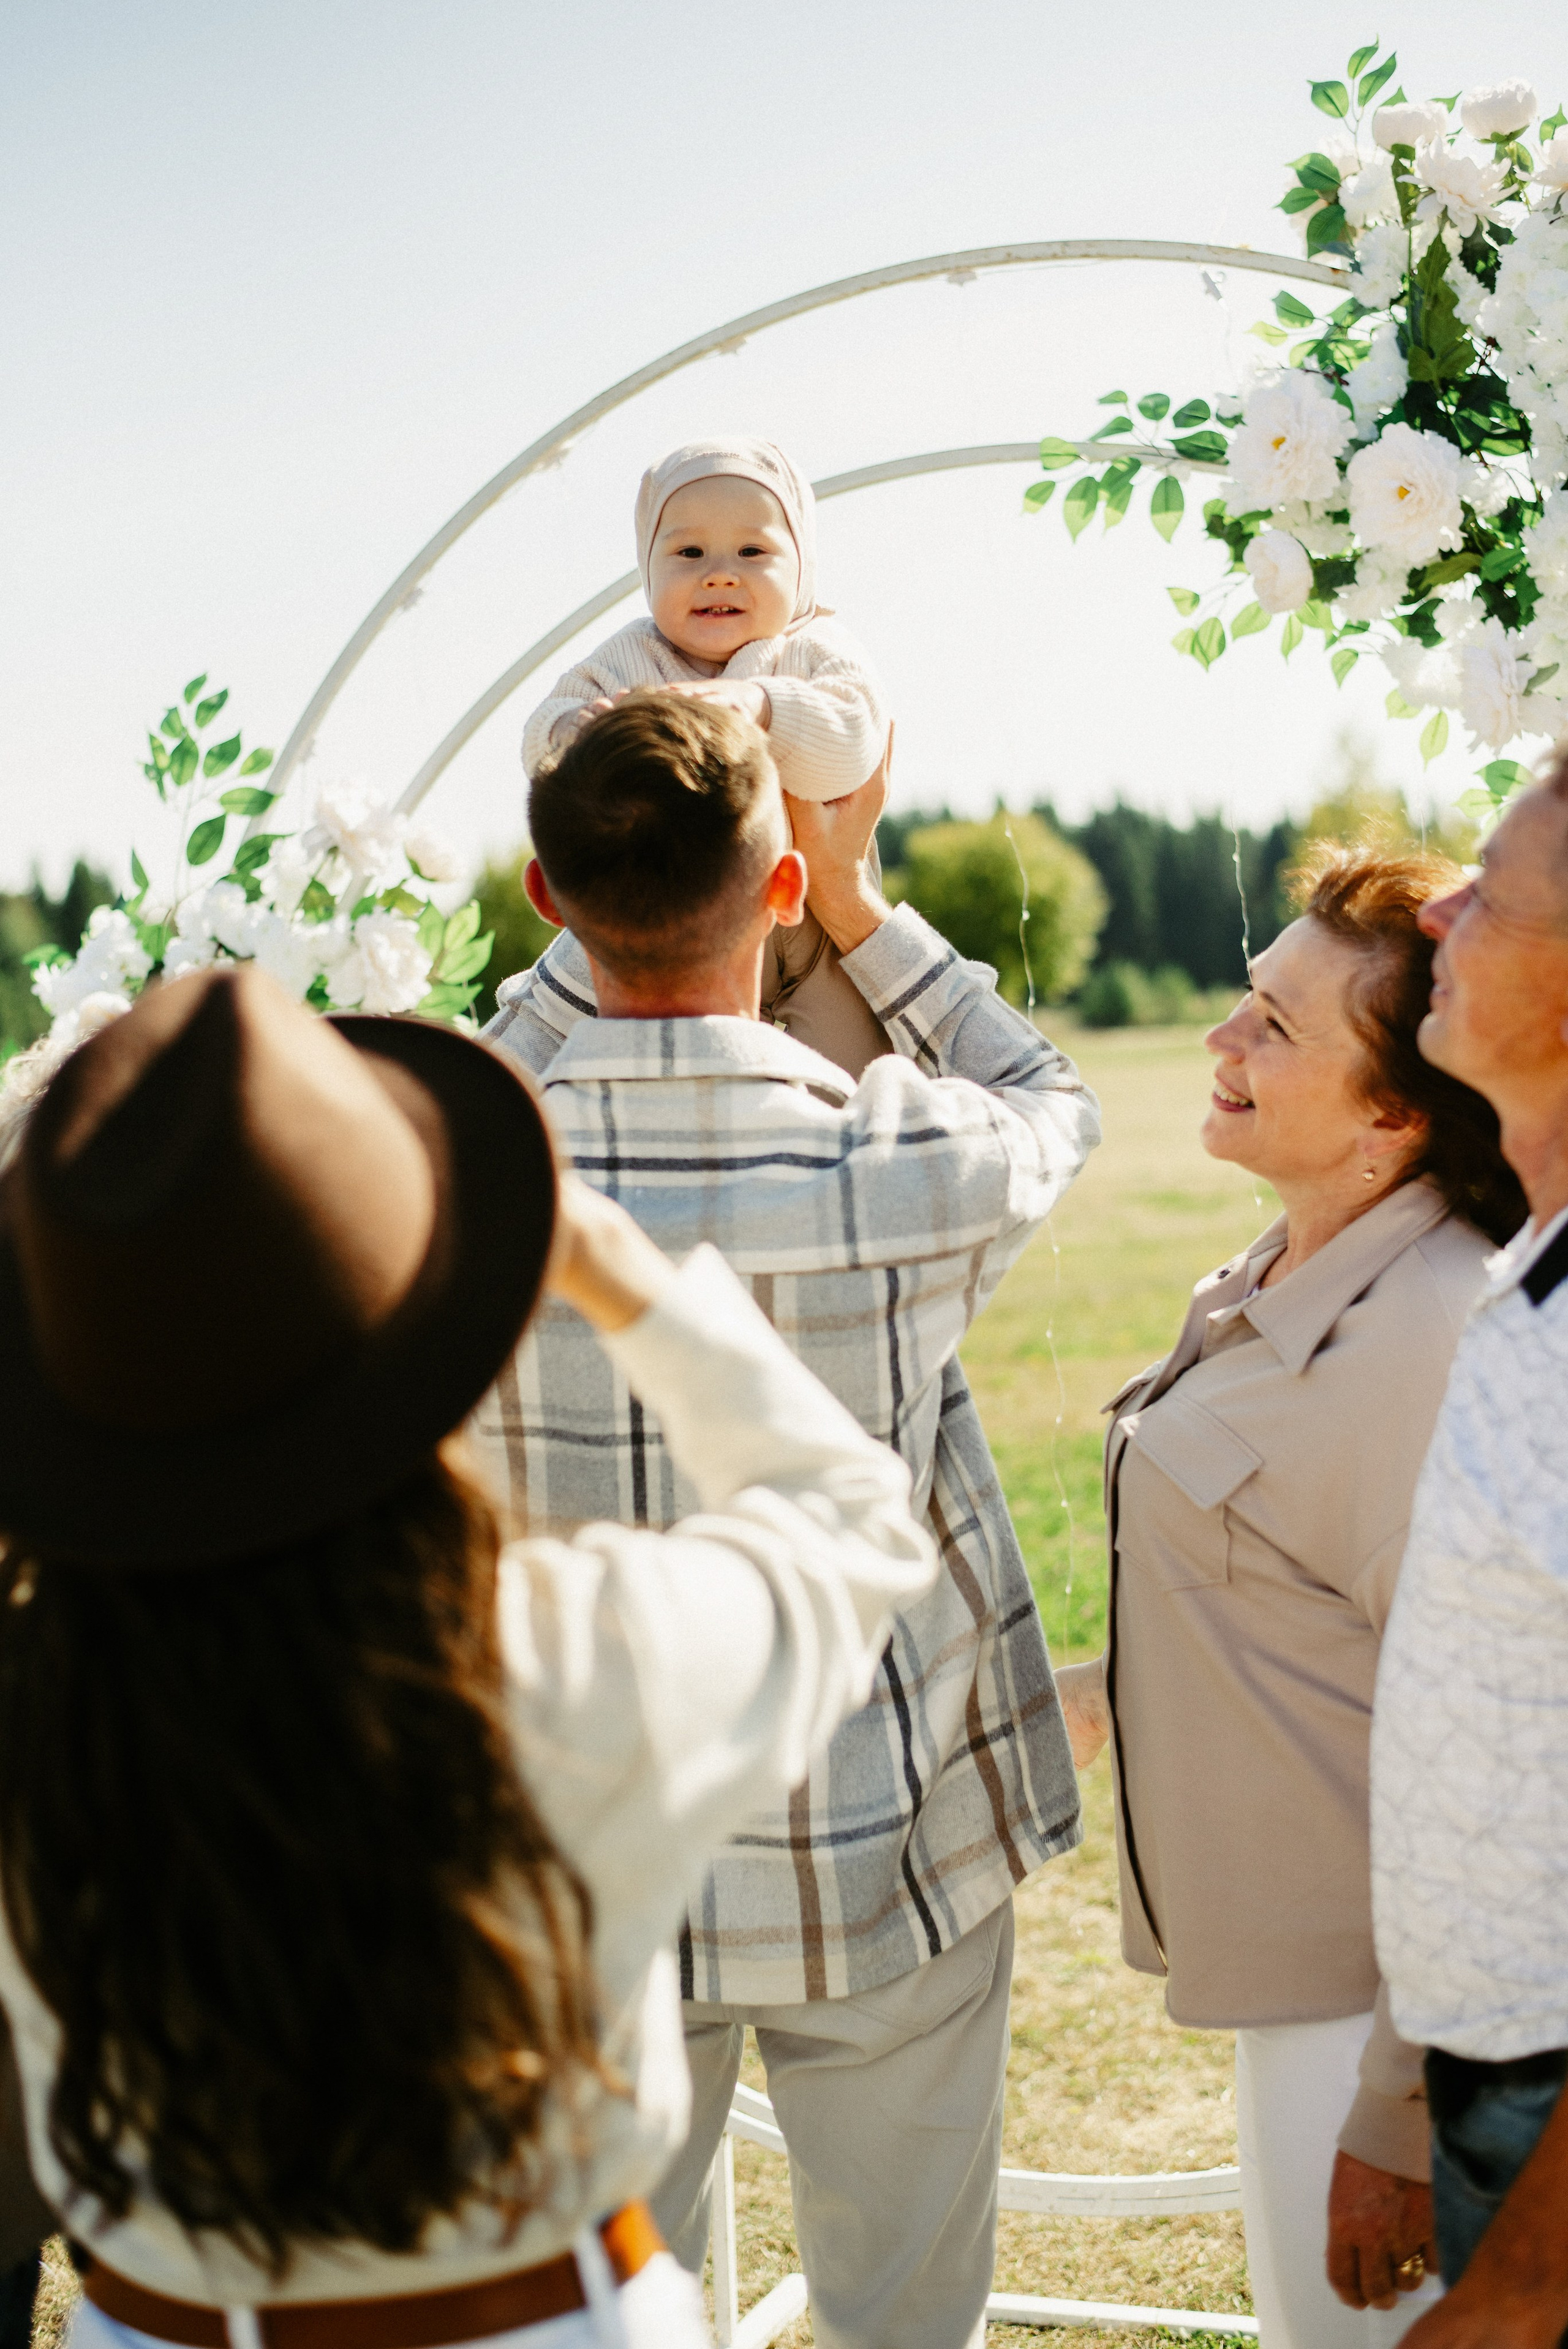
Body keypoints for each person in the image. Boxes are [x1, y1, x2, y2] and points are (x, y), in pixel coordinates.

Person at [0, 961, 938, 2349]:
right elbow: (851, 1524)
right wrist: (619, 1273)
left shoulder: (38, 1714)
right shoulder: (571, 1657)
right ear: (427, 1341)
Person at [481, 690, 1099, 2349]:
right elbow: (1049, 1088)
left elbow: (494, 1067)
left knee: (605, 2317)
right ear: (773, 891)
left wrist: (590, 928)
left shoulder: (453, 1189)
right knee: (906, 2317)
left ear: (547, 900)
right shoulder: (898, 1158)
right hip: (880, 1841)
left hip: (591, 1864)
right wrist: (861, 901)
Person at [1055, 847, 1525, 2349]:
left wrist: (1395, 2110)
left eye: (1272, 1025)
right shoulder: (1275, 1273)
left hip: (1380, 2026)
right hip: (1292, 2002)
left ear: (1391, 1112)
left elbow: (1510, 1762)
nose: (1219, 1040)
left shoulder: (1425, 1342)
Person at [1369, 747, 1568, 2349]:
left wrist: (1529, 2274)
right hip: (1494, 2087)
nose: (1437, 900)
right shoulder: (1539, 1267)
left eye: (1492, 893)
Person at [521, 435, 891, 1074]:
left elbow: (857, 744)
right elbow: (539, 737)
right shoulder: (631, 657)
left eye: (753, 551)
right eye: (688, 552)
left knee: (845, 1077)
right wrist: (576, 732)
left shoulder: (814, 649)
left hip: (820, 931)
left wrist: (765, 706)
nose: (719, 572)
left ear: (800, 566)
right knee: (645, 1058)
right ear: (647, 568)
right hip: (673, 916)